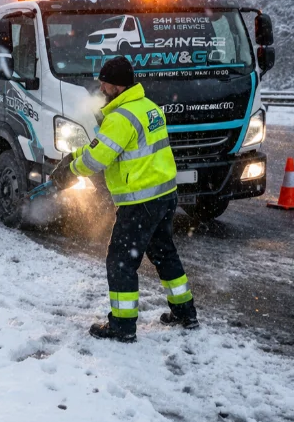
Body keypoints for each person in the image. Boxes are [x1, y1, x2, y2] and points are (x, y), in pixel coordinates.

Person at [51, 56, 198, 342]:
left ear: (116, 85)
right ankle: (184, 312)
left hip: (139, 202)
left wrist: (69, 171)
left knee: (120, 261)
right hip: (164, 195)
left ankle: (122, 325)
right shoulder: (148, 108)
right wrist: (74, 156)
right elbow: (102, 147)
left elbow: (98, 158)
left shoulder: (120, 118)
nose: (101, 88)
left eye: (104, 83)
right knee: (164, 253)